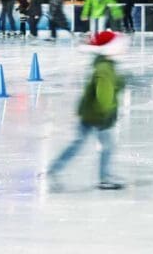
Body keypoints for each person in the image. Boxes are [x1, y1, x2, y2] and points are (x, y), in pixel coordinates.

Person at [46, 30, 128, 191]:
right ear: (110, 49)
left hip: (91, 113)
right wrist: (106, 114)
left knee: (78, 144)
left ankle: (54, 170)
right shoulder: (105, 68)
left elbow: (113, 85)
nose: (123, 49)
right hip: (98, 115)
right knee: (107, 146)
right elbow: (103, 95)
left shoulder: (105, 64)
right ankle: (104, 178)